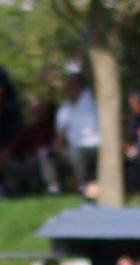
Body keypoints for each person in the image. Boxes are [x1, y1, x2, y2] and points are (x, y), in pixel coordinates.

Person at [55, 69, 101, 198]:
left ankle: (82, 186)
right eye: (68, 85)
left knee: (76, 154)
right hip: (74, 149)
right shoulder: (64, 109)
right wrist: (57, 148)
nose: (70, 88)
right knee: (47, 154)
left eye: (73, 84)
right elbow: (60, 134)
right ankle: (53, 188)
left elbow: (95, 81)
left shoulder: (89, 97)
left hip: (95, 146)